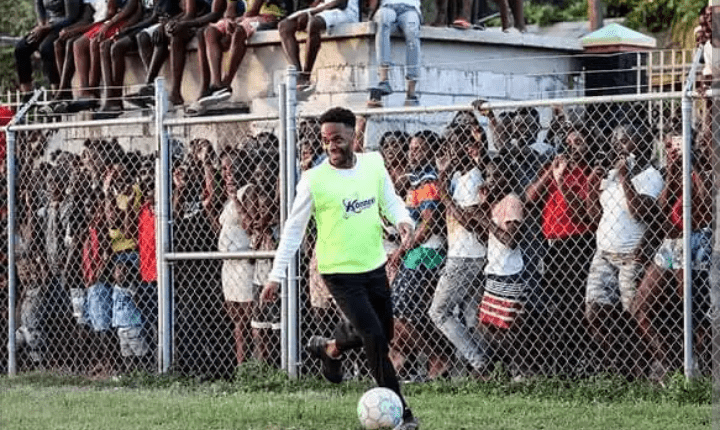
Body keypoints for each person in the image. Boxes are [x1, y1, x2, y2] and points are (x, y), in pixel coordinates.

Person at [260, 107, 419, 430]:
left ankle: (329, 348)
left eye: (337, 139)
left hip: (374, 264)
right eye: (325, 140)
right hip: (339, 272)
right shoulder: (314, 179)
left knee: (383, 332)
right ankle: (401, 413)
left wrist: (404, 220)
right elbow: (293, 229)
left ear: (353, 136)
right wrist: (276, 275)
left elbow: (390, 201)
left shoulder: (373, 164)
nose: (331, 145)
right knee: (374, 337)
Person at [584, 123, 664, 377]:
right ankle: (622, 367)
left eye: (624, 140)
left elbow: (638, 211)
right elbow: (596, 215)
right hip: (604, 254)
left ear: (642, 142)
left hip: (632, 256)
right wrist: (591, 186)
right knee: (595, 312)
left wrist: (623, 178)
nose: (617, 146)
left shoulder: (652, 176)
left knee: (636, 316)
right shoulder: (612, 174)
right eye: (615, 141)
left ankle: (649, 369)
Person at [525, 125, 597, 375]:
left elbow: (582, 214)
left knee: (575, 302)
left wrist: (561, 180)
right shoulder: (555, 169)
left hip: (578, 241)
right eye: (569, 143)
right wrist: (552, 173)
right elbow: (530, 197)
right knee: (557, 303)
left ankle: (581, 356)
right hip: (554, 244)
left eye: (578, 142)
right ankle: (562, 359)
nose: (572, 147)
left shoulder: (589, 173)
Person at [430, 111, 491, 375]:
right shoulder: (460, 177)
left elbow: (469, 220)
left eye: (452, 145)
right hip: (465, 253)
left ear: (467, 148)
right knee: (470, 314)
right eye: (445, 145)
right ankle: (478, 363)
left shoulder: (472, 178)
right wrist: (444, 175)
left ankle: (479, 363)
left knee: (439, 312)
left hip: (466, 256)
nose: (447, 151)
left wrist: (444, 189)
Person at [387, 130, 448, 380]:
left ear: (431, 152)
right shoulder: (416, 181)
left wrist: (402, 250)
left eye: (419, 149)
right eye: (411, 149)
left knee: (401, 311)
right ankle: (400, 357)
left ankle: (436, 358)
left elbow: (429, 223)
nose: (412, 154)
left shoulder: (428, 183)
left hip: (426, 253)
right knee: (399, 312)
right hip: (415, 252)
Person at [185, 0, 287, 115]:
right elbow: (230, 12)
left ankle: (226, 83)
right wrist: (229, 22)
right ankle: (217, 84)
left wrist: (236, 23)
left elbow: (253, 11)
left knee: (239, 31)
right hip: (243, 19)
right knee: (210, 31)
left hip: (267, 16)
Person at [277, 0, 359, 100]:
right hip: (324, 9)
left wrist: (311, 13)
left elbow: (341, 3)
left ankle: (306, 76)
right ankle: (298, 75)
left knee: (314, 23)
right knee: (284, 26)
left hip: (345, 12)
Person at [15, 0, 83, 97]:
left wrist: (48, 27)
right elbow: (40, 11)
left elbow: (71, 17)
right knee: (21, 48)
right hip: (47, 25)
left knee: (46, 48)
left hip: (66, 26)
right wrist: (41, 26)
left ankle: (55, 91)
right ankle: (27, 93)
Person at [366, 0, 421, 108]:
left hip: (410, 7)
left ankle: (411, 92)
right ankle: (384, 80)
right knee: (383, 19)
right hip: (387, 6)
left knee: (412, 31)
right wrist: (371, 13)